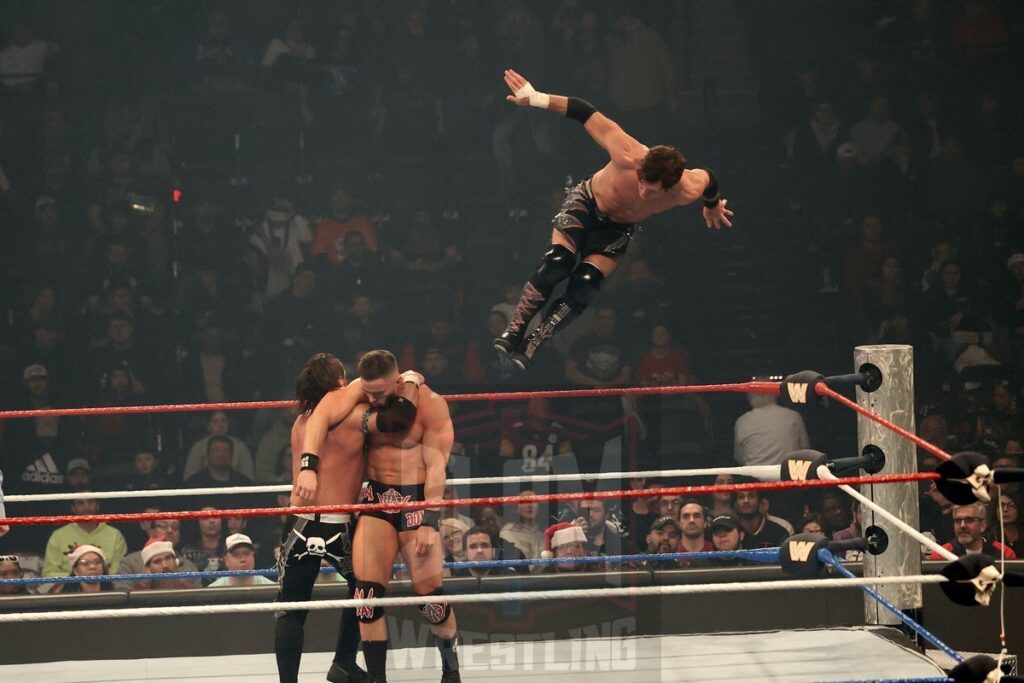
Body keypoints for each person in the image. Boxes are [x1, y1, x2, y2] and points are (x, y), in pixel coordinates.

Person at [492, 68, 734, 369]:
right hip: (587, 203)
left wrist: (712, 205)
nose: (643, 188)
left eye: (652, 189)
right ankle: (515, 328)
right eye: (643, 180)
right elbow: (584, 111)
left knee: (586, 283)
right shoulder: (628, 153)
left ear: (670, 187)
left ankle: (535, 341)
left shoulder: (687, 188)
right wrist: (536, 98)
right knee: (558, 263)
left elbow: (710, 180)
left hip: (617, 228)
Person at [298, 349, 460, 683]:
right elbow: (321, 416)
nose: (372, 399)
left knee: (430, 597)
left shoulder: (430, 404)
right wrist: (308, 466)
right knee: (366, 597)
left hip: (415, 502)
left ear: (398, 382)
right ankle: (377, 679)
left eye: (380, 393)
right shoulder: (361, 394)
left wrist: (431, 520)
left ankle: (450, 669)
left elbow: (436, 465)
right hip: (375, 500)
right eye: (368, 392)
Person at [278, 352, 421, 683]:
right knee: (366, 590)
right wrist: (411, 384)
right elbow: (396, 422)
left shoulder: (301, 422)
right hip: (338, 523)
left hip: (298, 522)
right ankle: (344, 660)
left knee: (290, 609)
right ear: (339, 383)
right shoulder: (355, 415)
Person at [928, 502, 1016, 560]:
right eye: (958, 521)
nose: (962, 525)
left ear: (982, 525)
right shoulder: (940, 555)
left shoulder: (1004, 554)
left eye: (969, 520)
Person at [208, 534, 275, 588]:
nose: (242, 559)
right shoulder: (213, 590)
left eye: (246, 553)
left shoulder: (271, 588)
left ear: (253, 556)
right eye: (236, 555)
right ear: (226, 560)